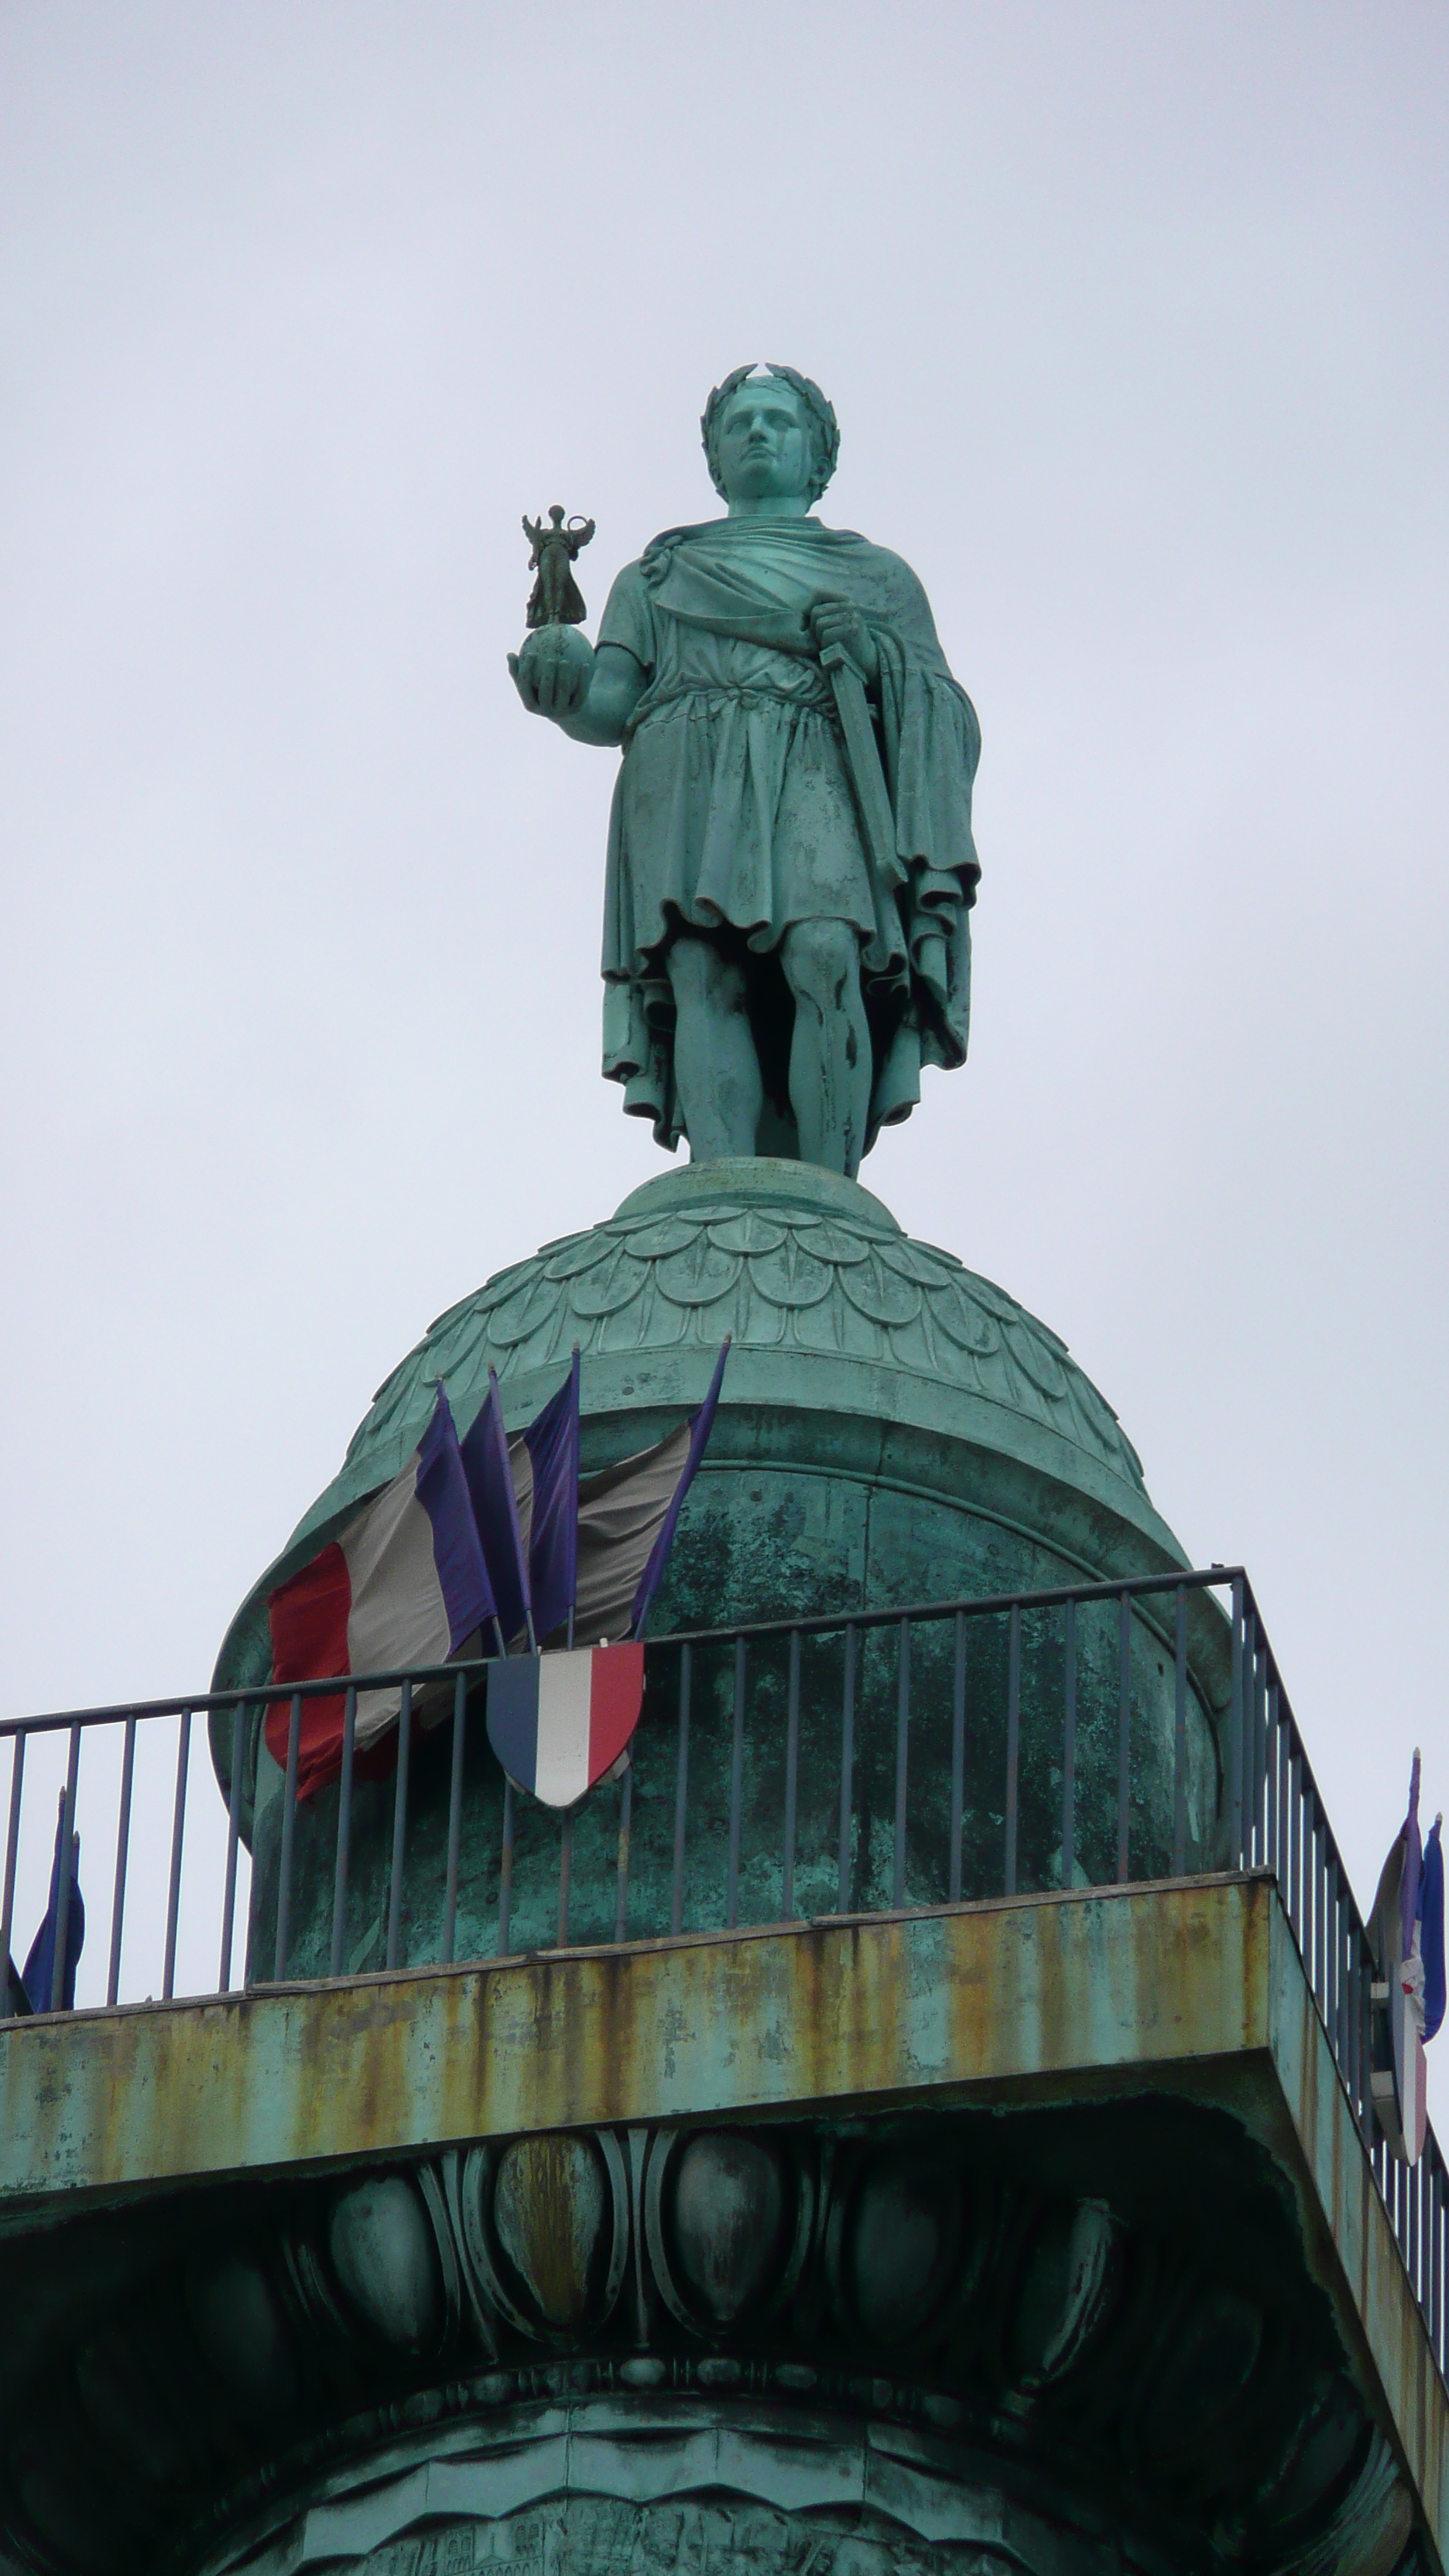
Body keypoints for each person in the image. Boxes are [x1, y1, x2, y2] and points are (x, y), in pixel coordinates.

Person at [509, 365, 980, 1178]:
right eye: (740, 425)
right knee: (703, 969)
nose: (758, 433)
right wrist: (561, 690)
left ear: (817, 457)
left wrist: (872, 657)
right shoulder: (655, 576)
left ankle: (826, 1187)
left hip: (813, 758)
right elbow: (612, 703)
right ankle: (721, 1173)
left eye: (779, 422)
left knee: (828, 953)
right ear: (715, 459)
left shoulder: (877, 578)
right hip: (684, 764)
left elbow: (949, 720)